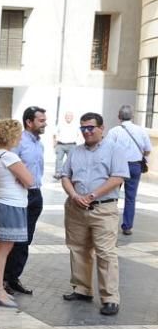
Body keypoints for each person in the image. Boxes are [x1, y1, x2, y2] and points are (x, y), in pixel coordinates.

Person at [58, 112, 128, 316]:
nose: (87, 132)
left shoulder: (115, 150)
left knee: (106, 253)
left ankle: (110, 298)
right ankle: (82, 289)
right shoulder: (75, 151)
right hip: (76, 208)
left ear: (101, 128)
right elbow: (65, 176)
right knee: (78, 248)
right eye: (83, 128)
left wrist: (92, 195)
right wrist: (74, 195)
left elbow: (118, 178)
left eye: (91, 128)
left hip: (103, 209)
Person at [0, 119, 34, 308]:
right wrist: (22, 180)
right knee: (3, 249)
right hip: (10, 205)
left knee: (0, 247)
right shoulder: (10, 157)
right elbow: (30, 181)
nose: (21, 137)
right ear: (12, 136)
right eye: (19, 134)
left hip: (2, 203)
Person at [2, 105, 46, 296]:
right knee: (13, 239)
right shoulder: (19, 143)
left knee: (26, 239)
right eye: (41, 120)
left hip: (36, 194)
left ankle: (14, 277)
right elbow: (11, 168)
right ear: (29, 122)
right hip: (21, 194)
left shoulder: (39, 143)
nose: (45, 123)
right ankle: (3, 279)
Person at [106, 104, 152, 236]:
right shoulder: (141, 130)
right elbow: (148, 150)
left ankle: (110, 224)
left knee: (112, 196)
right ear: (133, 116)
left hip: (118, 167)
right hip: (135, 166)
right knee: (131, 198)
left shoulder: (114, 131)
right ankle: (127, 226)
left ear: (119, 117)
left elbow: (107, 149)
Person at [53, 110, 81, 178]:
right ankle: (58, 173)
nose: (68, 117)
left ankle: (70, 173)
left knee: (72, 160)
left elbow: (80, 135)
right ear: (65, 117)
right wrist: (54, 143)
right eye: (67, 116)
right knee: (59, 159)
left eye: (70, 116)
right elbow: (55, 134)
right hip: (60, 144)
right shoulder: (60, 124)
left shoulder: (76, 125)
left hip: (72, 145)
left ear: (72, 117)